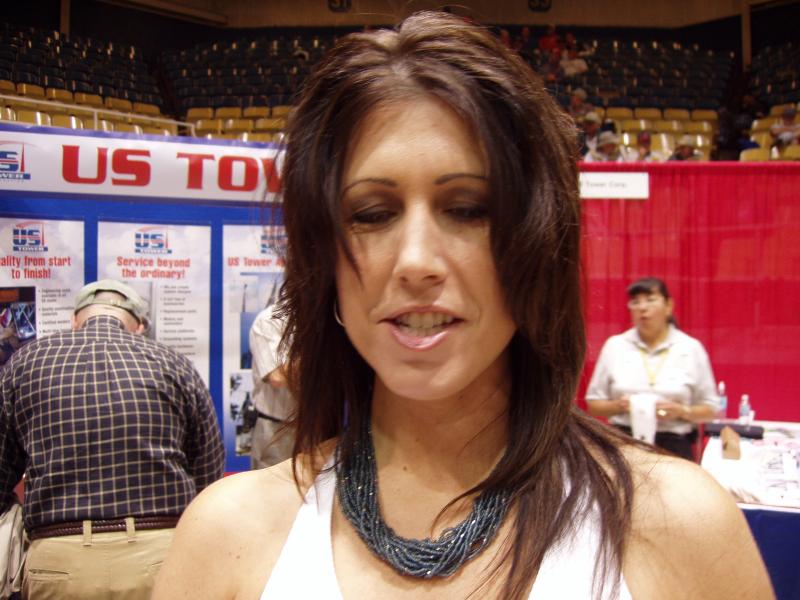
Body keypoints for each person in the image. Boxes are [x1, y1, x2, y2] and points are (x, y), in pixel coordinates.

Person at [153, 13, 773, 600]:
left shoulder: (678, 523)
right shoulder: (226, 537)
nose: (416, 260)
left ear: (538, 243)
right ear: (325, 264)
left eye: (468, 209)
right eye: (372, 214)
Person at [0, 279, 225, 599]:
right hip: (160, 557)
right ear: (140, 326)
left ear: (75, 320)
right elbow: (208, 471)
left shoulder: (25, 363)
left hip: (58, 560)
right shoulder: (174, 363)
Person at [585, 277, 719, 461]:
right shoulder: (615, 346)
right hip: (623, 441)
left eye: (650, 300)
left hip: (673, 443)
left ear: (668, 306)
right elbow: (593, 405)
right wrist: (620, 406)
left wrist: (681, 411)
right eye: (635, 302)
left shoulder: (690, 348)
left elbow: (710, 409)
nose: (642, 307)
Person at [248, 302, 294, 469]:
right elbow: (278, 376)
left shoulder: (330, 320)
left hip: (322, 426)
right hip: (277, 430)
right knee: (272, 484)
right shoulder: (270, 319)